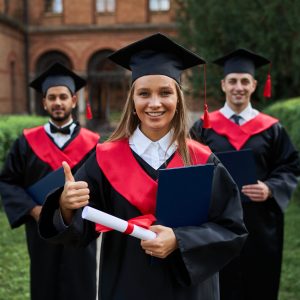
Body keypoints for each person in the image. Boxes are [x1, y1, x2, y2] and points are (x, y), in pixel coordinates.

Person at [38, 33, 248, 300]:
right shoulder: (104, 159)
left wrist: (179, 240)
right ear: (133, 102)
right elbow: (80, 229)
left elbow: (231, 228)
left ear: (178, 99)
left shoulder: (203, 160)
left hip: (191, 291)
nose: (155, 103)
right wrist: (66, 207)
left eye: (165, 93)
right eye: (144, 93)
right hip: (128, 285)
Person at [190, 48, 300, 300]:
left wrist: (271, 188)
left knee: (260, 280)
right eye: (232, 81)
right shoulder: (203, 127)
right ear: (223, 85)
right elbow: (189, 167)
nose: (238, 87)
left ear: (254, 85)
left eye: (244, 81)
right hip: (216, 220)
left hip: (260, 221)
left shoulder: (272, 128)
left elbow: (290, 165)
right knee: (220, 280)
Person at [0, 62, 100, 300]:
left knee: (81, 283)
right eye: (52, 97)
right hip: (40, 231)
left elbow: (101, 187)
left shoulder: (94, 143)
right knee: (44, 284)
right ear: (44, 102)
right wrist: (33, 210)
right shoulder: (26, 142)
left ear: (74, 100)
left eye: (63, 97)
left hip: (79, 230)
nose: (57, 102)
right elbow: (8, 181)